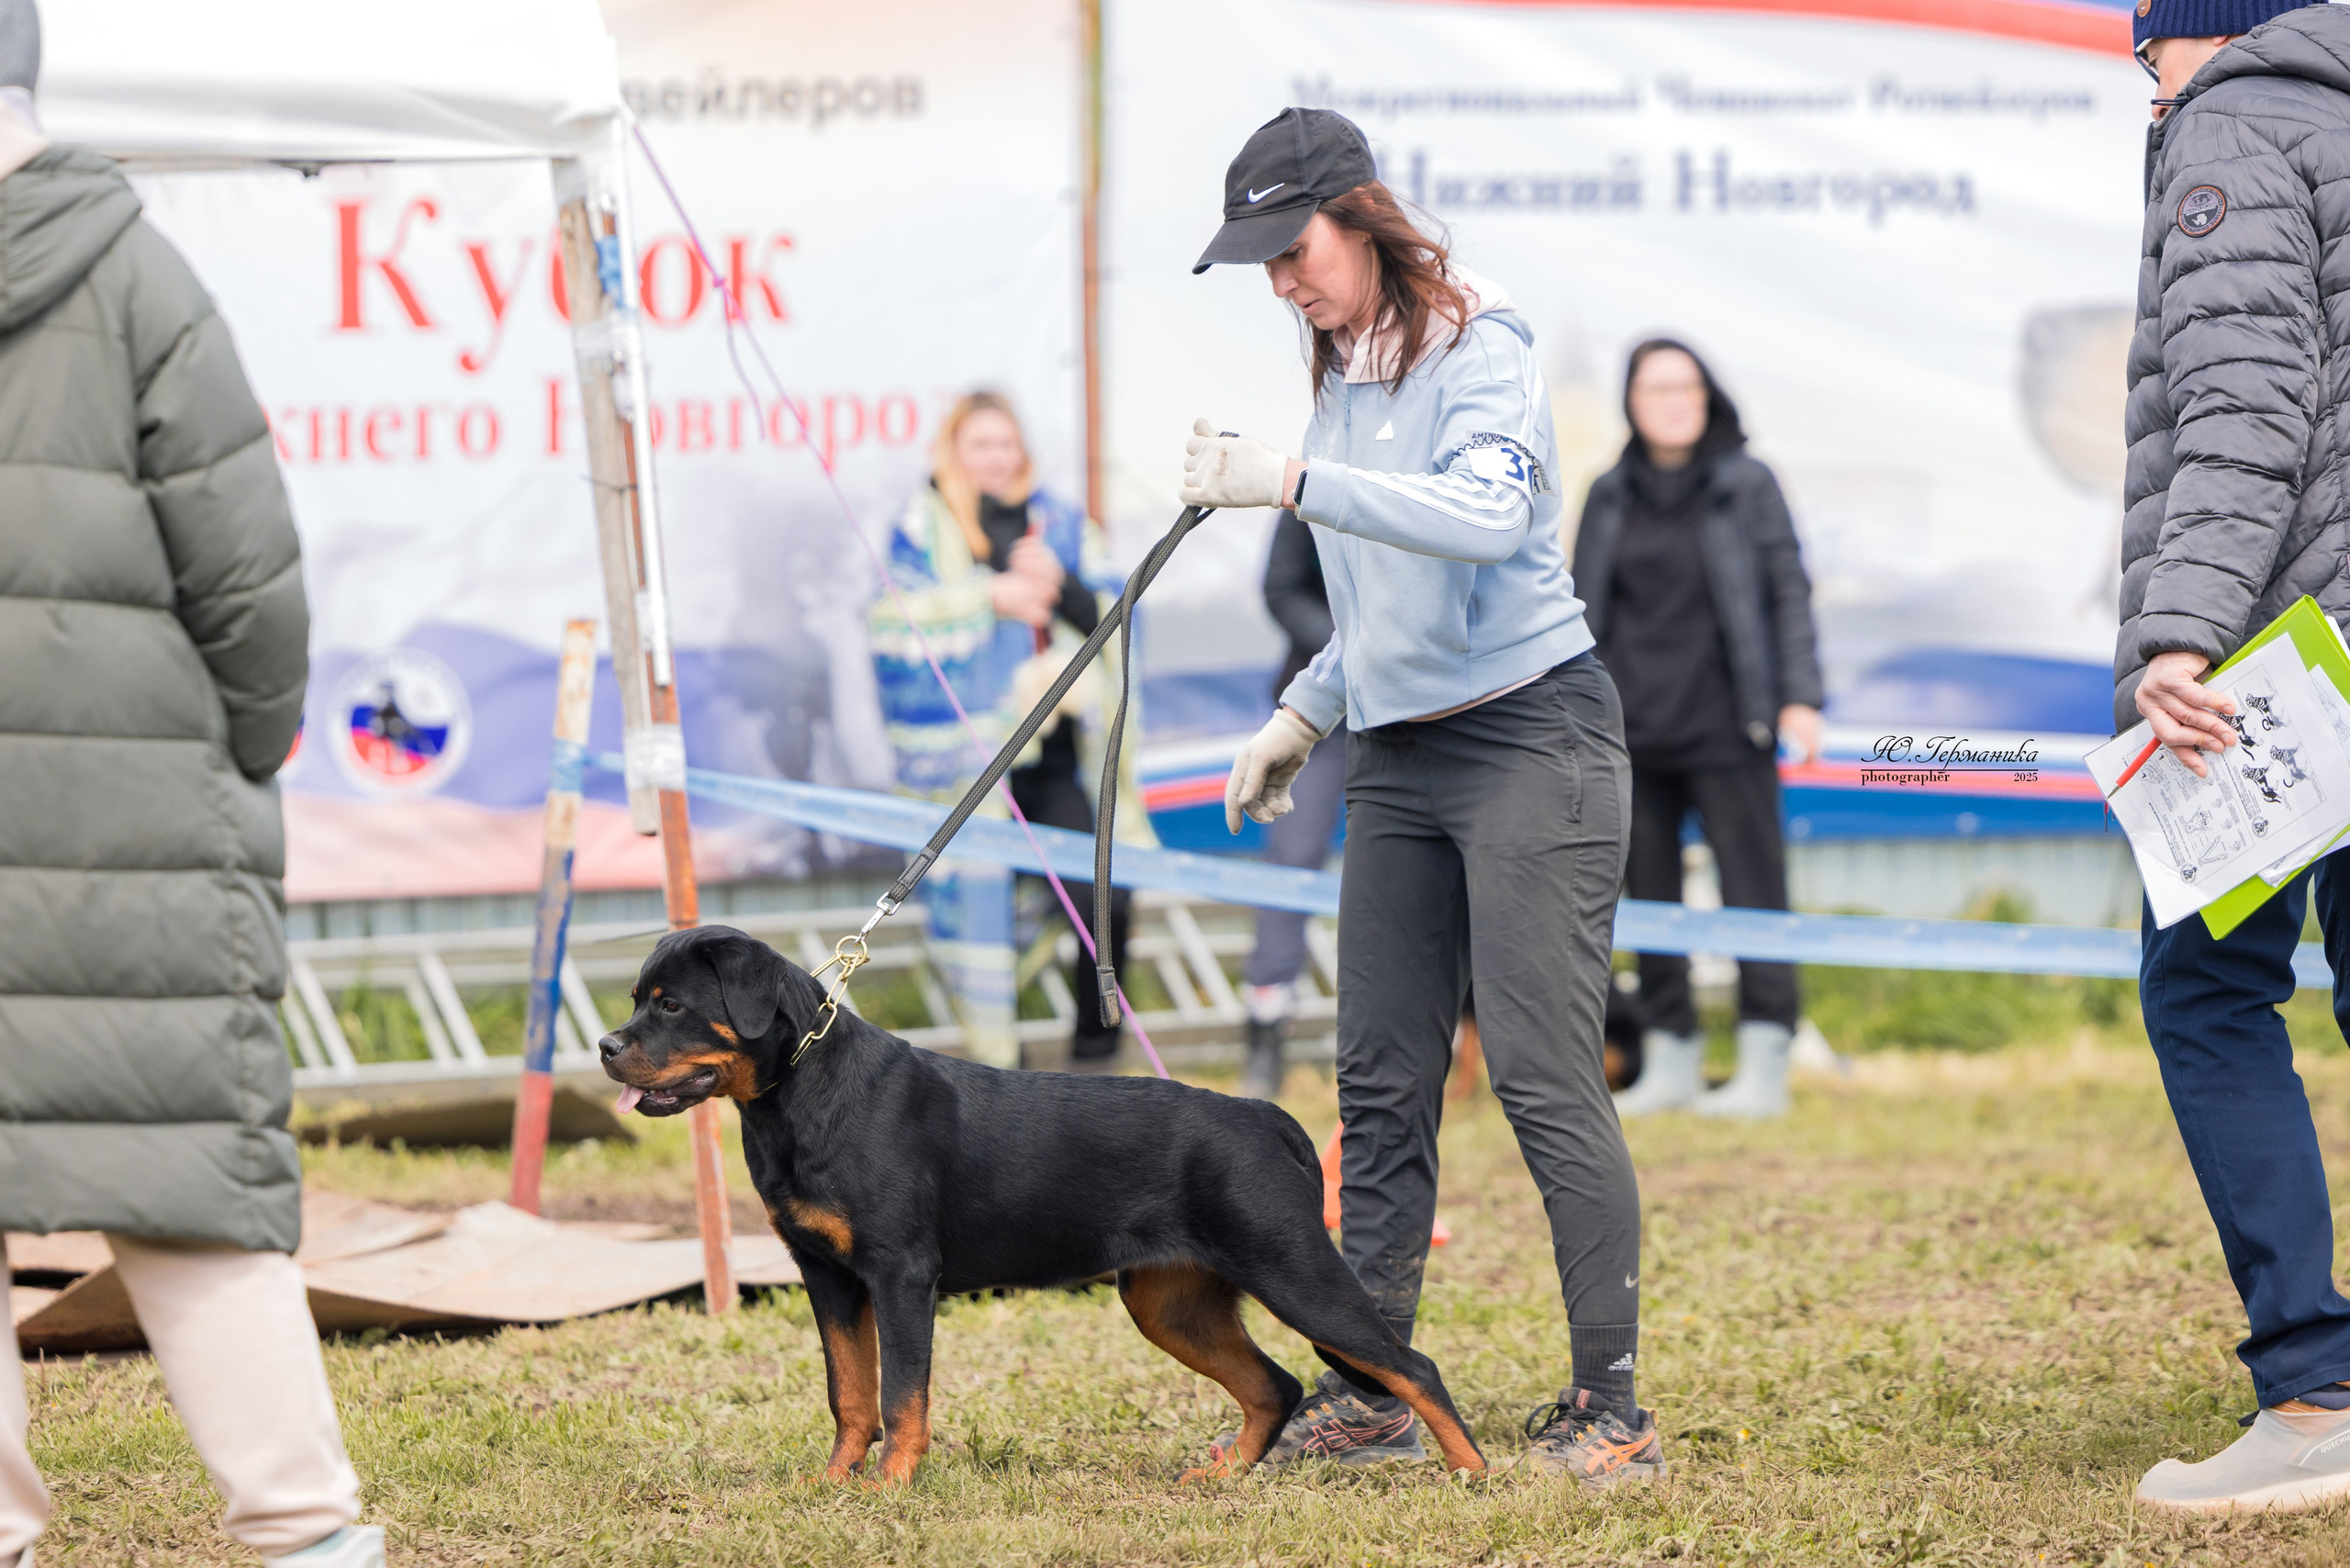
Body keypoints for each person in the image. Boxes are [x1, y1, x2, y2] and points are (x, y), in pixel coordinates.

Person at [1186, 106, 1659, 1486]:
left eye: (1295, 249)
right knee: (1379, 1083)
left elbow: (1486, 520)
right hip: (1394, 754)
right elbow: (1385, 598)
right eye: (1262, 263)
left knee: (1539, 1074)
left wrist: (1286, 479)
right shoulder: (1344, 368)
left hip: (1534, 737)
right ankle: (1378, 1388)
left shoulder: (1479, 345)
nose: (1283, 280)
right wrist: (1302, 712)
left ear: (1361, 215)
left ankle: (1610, 1405)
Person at [0, 7, 384, 1564]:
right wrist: (236, 753)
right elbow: (253, 586)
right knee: (193, 1195)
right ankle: (303, 1533)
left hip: (130, 816)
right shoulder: (133, 270)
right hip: (140, 830)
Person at [2121, 0, 2350, 1515]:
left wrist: (2183, 627)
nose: (2139, 77)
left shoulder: (2233, 127)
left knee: (2206, 989)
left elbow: (2246, 402)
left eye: (2145, 43)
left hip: (2287, 662)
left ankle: (2319, 1392)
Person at [1572, 342, 1823, 1119]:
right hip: (1633, 734)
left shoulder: (1748, 483)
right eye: (1655, 387)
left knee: (1755, 896)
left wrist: (1799, 699)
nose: (1672, 399)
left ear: (1709, 394)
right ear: (1631, 401)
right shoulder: (1609, 493)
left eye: (1685, 385)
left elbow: (1788, 590)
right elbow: (1577, 610)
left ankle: (1763, 1066)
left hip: (1730, 726)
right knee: (1648, 903)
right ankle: (1671, 1060)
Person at [867, 391, 1149, 1070]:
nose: (996, 458)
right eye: (980, 445)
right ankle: (1001, 1073)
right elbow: (892, 622)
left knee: (1108, 892)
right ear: (953, 451)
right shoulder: (920, 525)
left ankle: (1096, 1058)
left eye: (1005, 444)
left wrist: (1064, 589)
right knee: (984, 910)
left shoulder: (1059, 524)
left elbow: (1114, 614)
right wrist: (986, 598)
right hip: (968, 769)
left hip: (1054, 756)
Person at [1237, 509, 1348, 1099]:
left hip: (1419, 707)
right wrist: (1348, 650)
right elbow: (1280, 587)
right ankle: (1265, 1025)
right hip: (1320, 709)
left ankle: (1455, 1039)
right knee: (1291, 862)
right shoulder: (1316, 474)